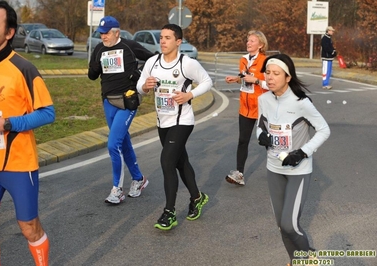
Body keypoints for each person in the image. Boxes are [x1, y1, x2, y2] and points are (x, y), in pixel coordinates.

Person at [0, 1, 55, 265]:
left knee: (29, 227)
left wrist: (8, 124)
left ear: (9, 32)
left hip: (18, 165)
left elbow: (48, 113)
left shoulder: (24, 69)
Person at [256, 53, 330, 266]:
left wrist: (302, 152)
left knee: (290, 225)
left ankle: (310, 256)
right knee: (281, 225)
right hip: (273, 168)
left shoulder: (301, 103)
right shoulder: (264, 99)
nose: (270, 77)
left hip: (298, 171)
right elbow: (260, 126)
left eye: (276, 73)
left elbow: (324, 130)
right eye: (268, 73)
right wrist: (261, 136)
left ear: (288, 77)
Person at [137, 24, 212, 230]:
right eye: (161, 37)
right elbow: (140, 86)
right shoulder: (152, 62)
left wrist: (190, 95)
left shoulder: (186, 63)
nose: (162, 41)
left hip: (182, 120)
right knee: (181, 162)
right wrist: (145, 87)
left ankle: (169, 212)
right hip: (163, 121)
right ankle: (197, 197)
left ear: (178, 42)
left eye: (168, 38)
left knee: (167, 161)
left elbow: (207, 81)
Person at [88, 16, 153, 204]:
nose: (103, 37)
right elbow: (92, 75)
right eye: (101, 33)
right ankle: (139, 179)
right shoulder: (99, 49)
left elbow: (153, 59)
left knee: (112, 144)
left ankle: (117, 189)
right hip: (108, 101)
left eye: (107, 33)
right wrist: (95, 64)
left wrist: (138, 73)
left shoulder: (129, 46)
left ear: (117, 32)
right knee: (122, 141)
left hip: (128, 101)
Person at [224, 30, 269, 186]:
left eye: (252, 41)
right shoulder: (243, 60)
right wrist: (236, 79)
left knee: (268, 141)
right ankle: (239, 174)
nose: (248, 43)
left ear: (261, 45)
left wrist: (256, 80)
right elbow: (245, 79)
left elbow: (272, 84)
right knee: (243, 141)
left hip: (262, 108)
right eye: (248, 40)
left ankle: (283, 170)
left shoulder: (266, 61)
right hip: (245, 107)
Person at [321, 26, 336, 90]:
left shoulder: (329, 38)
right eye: (332, 31)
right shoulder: (324, 38)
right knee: (325, 71)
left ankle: (326, 83)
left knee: (329, 71)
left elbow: (330, 46)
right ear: (328, 31)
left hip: (329, 57)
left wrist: (334, 51)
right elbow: (326, 47)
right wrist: (331, 51)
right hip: (326, 57)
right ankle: (325, 84)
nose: (332, 32)